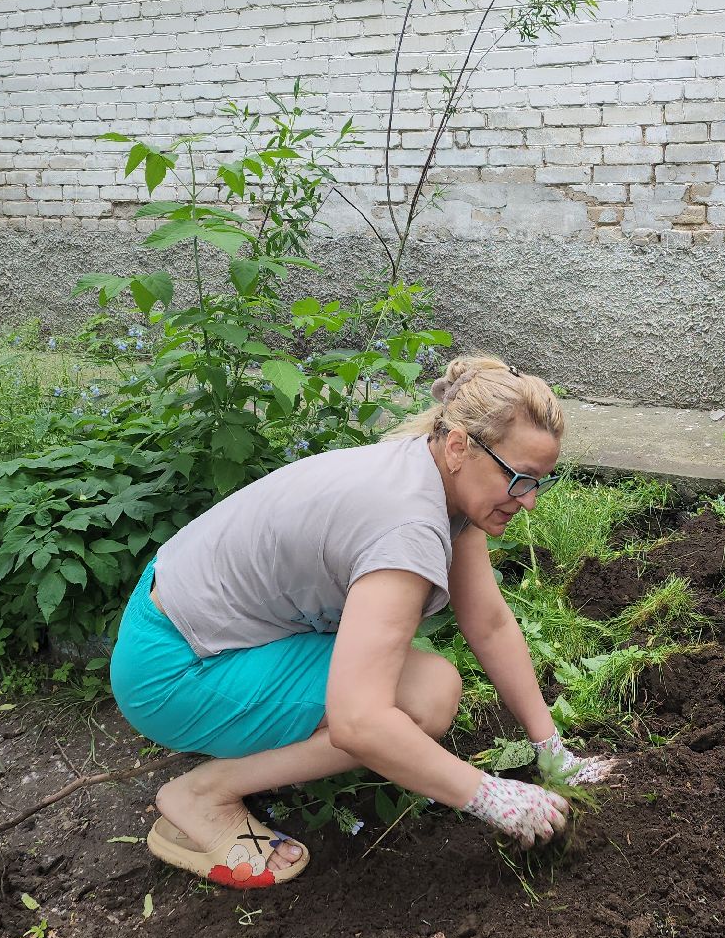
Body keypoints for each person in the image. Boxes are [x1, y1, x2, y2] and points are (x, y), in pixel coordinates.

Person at [108, 356, 610, 889]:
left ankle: (242, 746)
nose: (529, 501)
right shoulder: (407, 527)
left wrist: (550, 748)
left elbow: (488, 623)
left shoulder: (437, 474)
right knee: (423, 699)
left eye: (539, 483)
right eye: (519, 478)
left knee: (424, 688)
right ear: (460, 446)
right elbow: (359, 722)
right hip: (173, 670)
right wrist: (487, 795)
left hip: (183, 619)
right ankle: (203, 795)